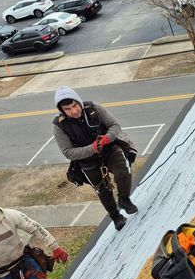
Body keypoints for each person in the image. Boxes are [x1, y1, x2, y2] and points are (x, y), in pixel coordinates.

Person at [52, 86, 138, 231]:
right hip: (87, 161)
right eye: (68, 109)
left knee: (123, 171)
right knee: (102, 190)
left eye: (75, 105)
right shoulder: (59, 126)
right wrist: (91, 148)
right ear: (62, 111)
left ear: (79, 102)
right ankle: (115, 216)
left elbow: (114, 126)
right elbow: (68, 152)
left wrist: (106, 139)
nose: (74, 111)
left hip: (109, 149)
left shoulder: (94, 108)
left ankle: (124, 199)